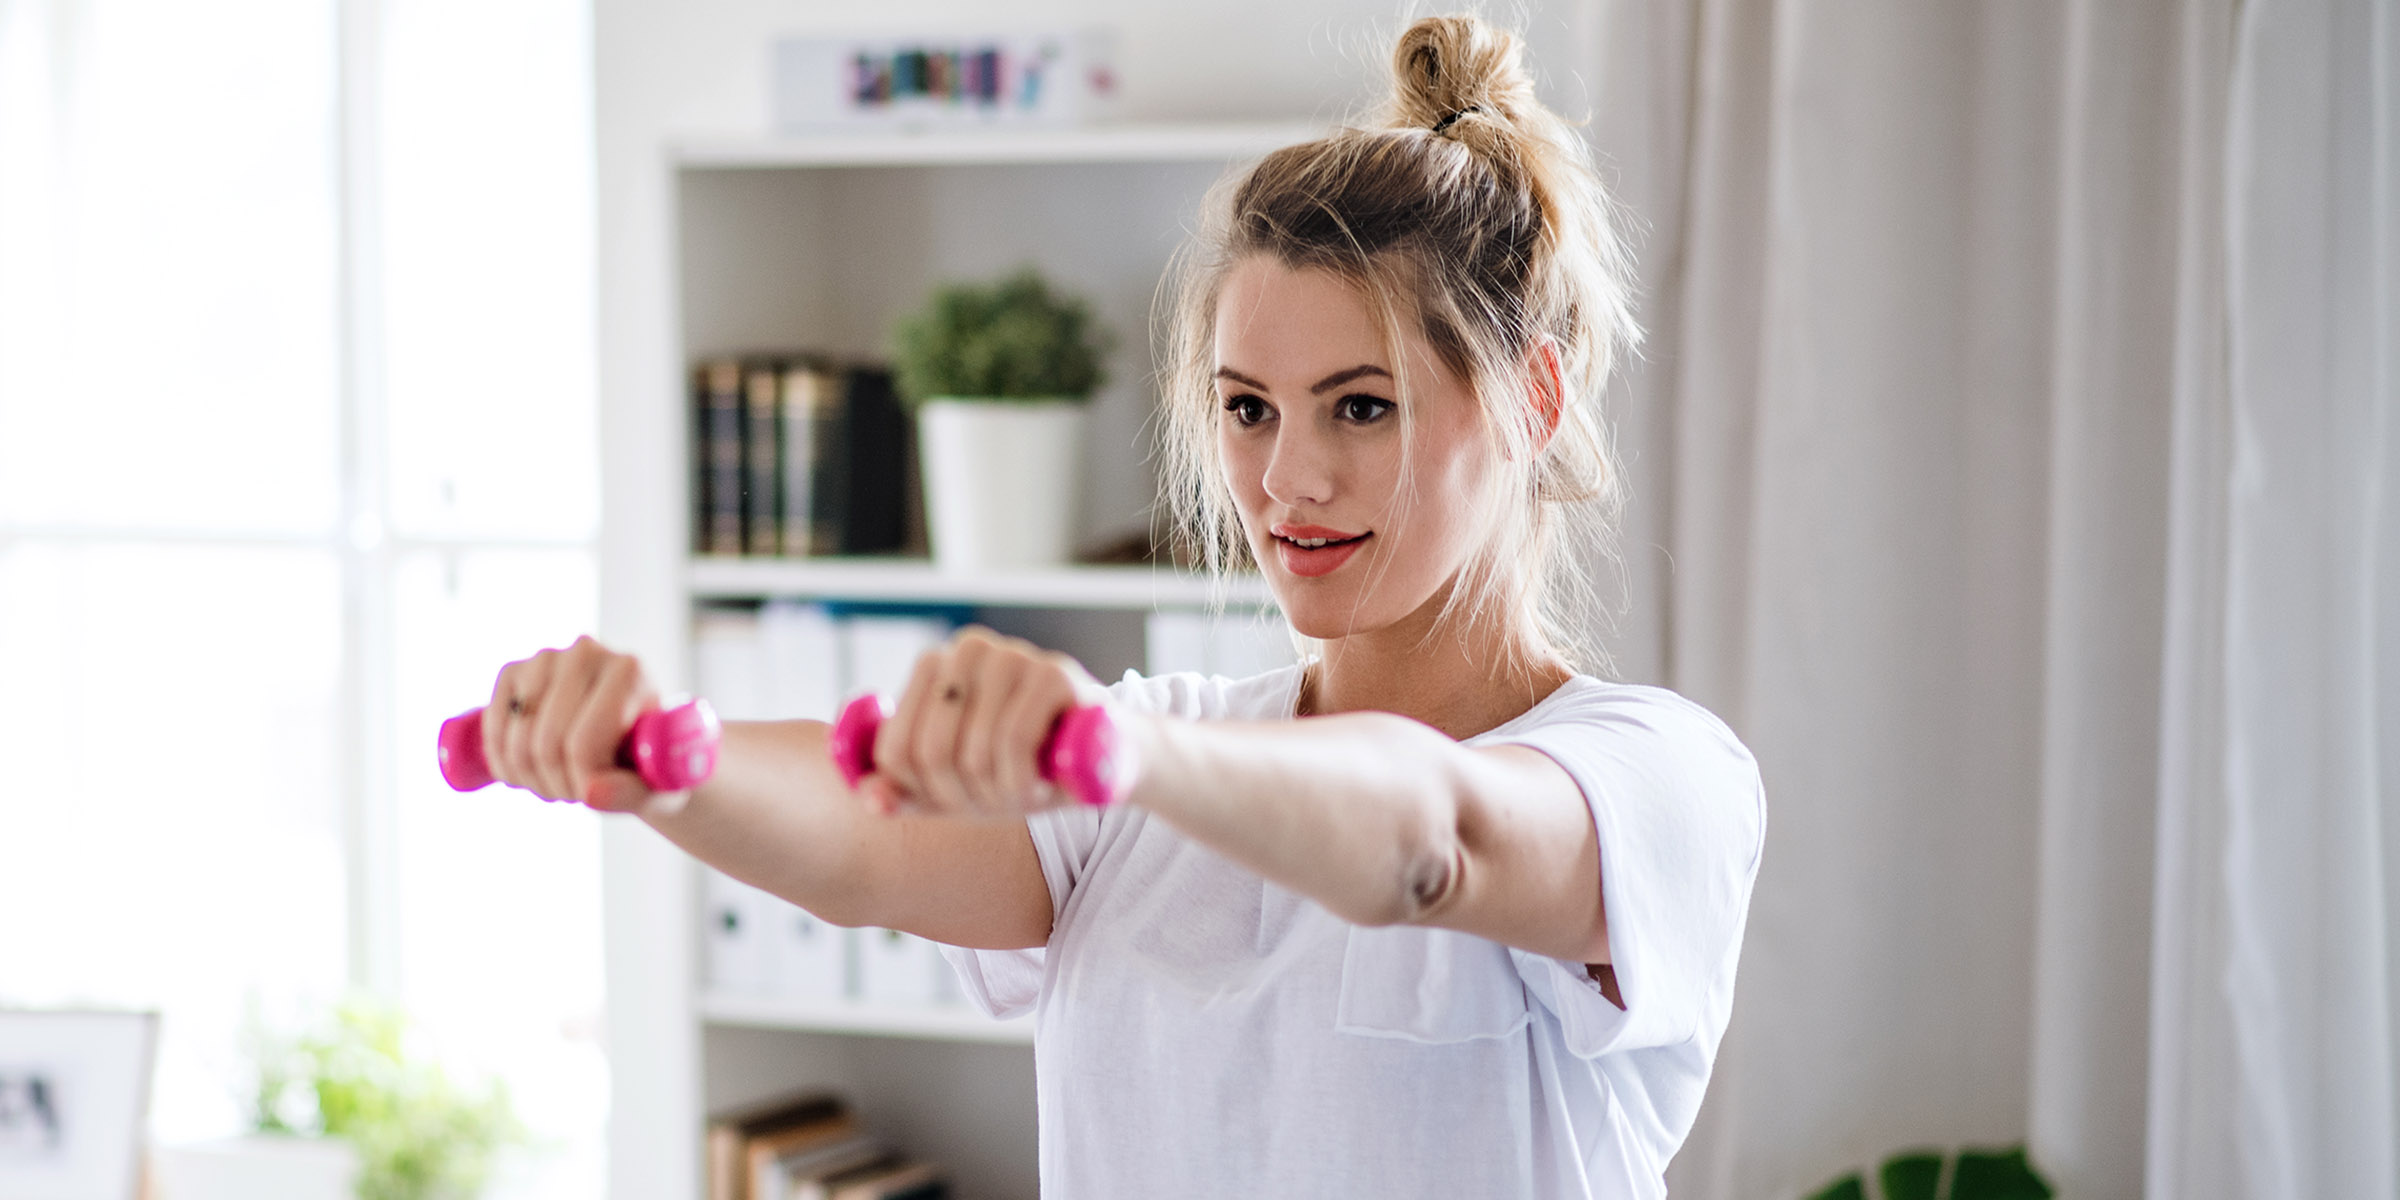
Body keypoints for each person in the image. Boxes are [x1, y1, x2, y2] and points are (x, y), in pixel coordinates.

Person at [477, 14, 1763, 1198]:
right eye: (1247, 406)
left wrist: (1121, 758)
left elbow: (1436, 838)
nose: (1285, 480)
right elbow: (867, 845)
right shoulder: (1149, 765)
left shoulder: (1656, 777)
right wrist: (654, 758)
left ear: (1532, 403)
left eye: (1361, 406)